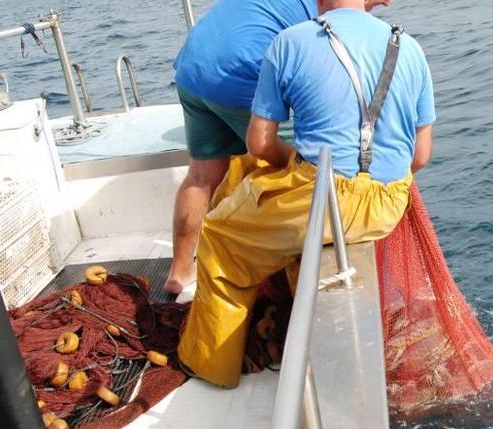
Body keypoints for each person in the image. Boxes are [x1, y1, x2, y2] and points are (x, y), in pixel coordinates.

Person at [177, 0, 435, 388]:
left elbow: (260, 145)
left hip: (323, 198)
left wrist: (297, 157)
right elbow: (421, 156)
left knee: (220, 239)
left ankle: (210, 367)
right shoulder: (410, 48)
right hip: (387, 204)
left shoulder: (290, 42)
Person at [166, 0, 389, 295]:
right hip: (241, 73)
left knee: (202, 176)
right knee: (289, 171)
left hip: (192, 70)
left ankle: (180, 271)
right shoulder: (327, 13)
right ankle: (279, 286)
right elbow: (323, 73)